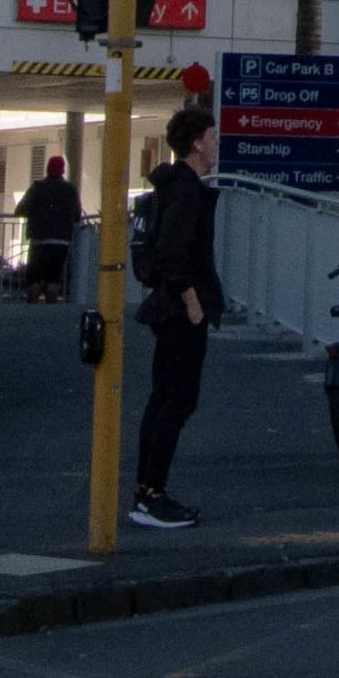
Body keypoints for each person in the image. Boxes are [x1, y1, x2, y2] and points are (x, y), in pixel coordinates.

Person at [127, 109, 220, 530]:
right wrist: (192, 299)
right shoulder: (186, 191)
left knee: (164, 397)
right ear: (197, 143)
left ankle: (147, 491)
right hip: (180, 309)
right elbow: (172, 251)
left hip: (168, 308)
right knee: (177, 399)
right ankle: (152, 494)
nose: (217, 144)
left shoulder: (174, 186)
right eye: (213, 137)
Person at [17, 153, 80, 305]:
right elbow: (77, 215)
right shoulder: (70, 190)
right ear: (63, 170)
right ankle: (50, 308)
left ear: (47, 168)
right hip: (62, 242)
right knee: (54, 277)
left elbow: (20, 209)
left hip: (39, 240)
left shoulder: (37, 188)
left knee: (34, 278)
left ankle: (32, 307)